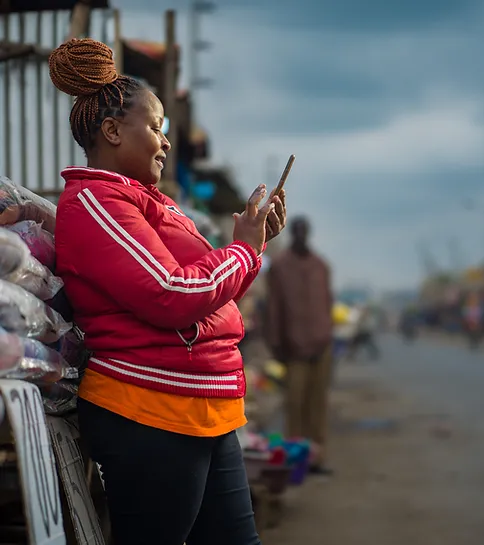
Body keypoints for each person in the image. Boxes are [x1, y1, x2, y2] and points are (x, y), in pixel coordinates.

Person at [49, 38, 286, 545]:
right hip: (150, 412)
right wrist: (242, 250)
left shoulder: (148, 202)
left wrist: (253, 244)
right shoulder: (94, 201)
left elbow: (209, 286)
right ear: (112, 132)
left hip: (201, 409)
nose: (166, 142)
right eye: (156, 127)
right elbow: (173, 291)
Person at [265, 217, 333, 474]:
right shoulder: (280, 267)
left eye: (305, 231)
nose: (302, 236)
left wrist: (327, 335)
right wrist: (276, 344)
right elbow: (274, 308)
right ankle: (296, 461)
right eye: (298, 231)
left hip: (321, 345)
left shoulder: (320, 266)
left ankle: (317, 458)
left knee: (317, 406)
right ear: (292, 233)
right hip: (293, 349)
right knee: (295, 404)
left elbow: (327, 303)